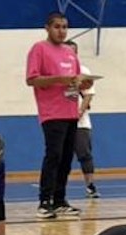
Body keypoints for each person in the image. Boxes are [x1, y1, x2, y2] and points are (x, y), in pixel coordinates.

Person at [26, 11, 94, 218]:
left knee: (66, 158)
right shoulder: (39, 49)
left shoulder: (70, 52)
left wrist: (84, 83)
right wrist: (58, 79)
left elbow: (74, 82)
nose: (61, 31)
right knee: (53, 155)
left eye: (65, 27)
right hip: (52, 112)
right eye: (57, 26)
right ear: (47, 28)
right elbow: (32, 80)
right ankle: (44, 201)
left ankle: (59, 199)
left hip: (71, 111)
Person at [64, 40, 100, 198]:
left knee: (84, 153)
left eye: (74, 51)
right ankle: (59, 190)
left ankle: (90, 186)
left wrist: (79, 112)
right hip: (61, 120)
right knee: (61, 157)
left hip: (80, 122)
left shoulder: (83, 71)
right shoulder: (57, 72)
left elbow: (88, 95)